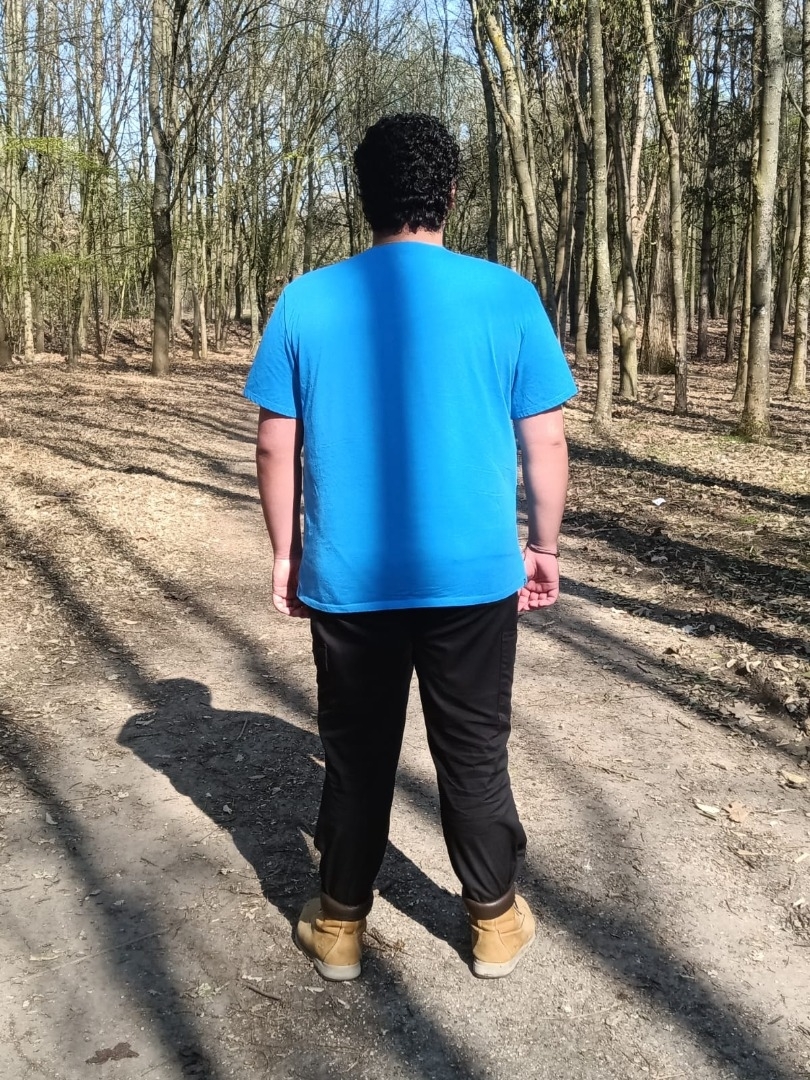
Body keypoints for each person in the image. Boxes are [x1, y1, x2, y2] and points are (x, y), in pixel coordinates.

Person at [244, 113, 576, 982]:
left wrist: (285, 552)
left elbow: (277, 444)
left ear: (364, 196)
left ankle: (339, 925)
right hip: (473, 580)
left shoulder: (306, 299)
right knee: (475, 752)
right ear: (452, 193)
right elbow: (544, 438)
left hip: (351, 580)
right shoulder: (507, 295)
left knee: (357, 758)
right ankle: (493, 922)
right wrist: (543, 545)